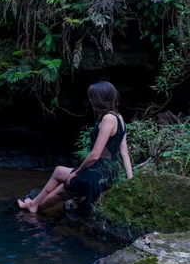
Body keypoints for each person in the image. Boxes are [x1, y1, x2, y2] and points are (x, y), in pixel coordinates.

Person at [17, 81, 133, 215]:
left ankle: (34, 209)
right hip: (107, 172)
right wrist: (131, 180)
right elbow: (124, 153)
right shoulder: (119, 117)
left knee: (61, 188)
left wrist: (77, 172)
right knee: (59, 172)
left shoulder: (108, 118)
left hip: (97, 174)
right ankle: (33, 204)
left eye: (92, 98)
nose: (90, 101)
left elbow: (95, 155)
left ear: (99, 99)